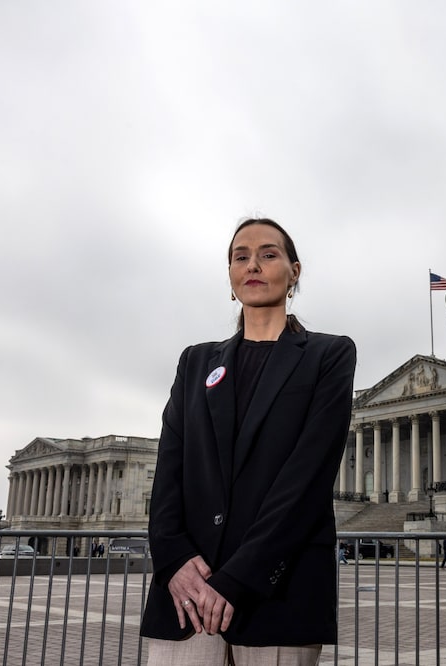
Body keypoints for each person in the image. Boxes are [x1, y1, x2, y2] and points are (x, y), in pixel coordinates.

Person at [140, 218, 358, 666]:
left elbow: (306, 480)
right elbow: (170, 470)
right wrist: (174, 561)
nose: (253, 264)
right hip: (187, 595)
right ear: (231, 275)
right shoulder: (196, 361)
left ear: (294, 272)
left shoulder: (328, 355)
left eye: (268, 254)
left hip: (276, 592)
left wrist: (238, 579)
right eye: (241, 256)